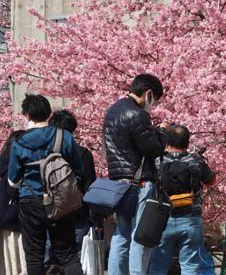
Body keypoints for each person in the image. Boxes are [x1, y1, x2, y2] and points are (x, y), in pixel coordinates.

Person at [7, 94, 84, 275]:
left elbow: (13, 180)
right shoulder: (64, 136)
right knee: (68, 254)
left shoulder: (19, 142)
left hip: (30, 199)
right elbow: (78, 169)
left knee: (34, 255)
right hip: (60, 200)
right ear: (49, 113)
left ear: (26, 115)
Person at [104, 74, 169, 275]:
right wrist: (162, 132)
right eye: (154, 100)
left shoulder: (112, 111)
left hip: (119, 183)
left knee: (121, 234)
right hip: (138, 182)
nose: (153, 105)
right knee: (140, 235)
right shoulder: (138, 115)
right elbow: (153, 149)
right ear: (148, 94)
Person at [148, 125, 216, 274]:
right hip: (190, 219)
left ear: (168, 141)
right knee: (190, 266)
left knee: (157, 266)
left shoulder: (158, 161)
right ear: (187, 142)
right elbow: (211, 181)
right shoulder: (196, 161)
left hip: (163, 219)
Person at [46, 110, 97, 264]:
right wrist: (94, 217)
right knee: (76, 258)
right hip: (77, 212)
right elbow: (90, 186)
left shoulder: (43, 152)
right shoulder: (83, 153)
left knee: (49, 257)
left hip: (50, 211)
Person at [0, 130, 27, 275]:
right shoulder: (17, 168)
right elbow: (13, 191)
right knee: (20, 261)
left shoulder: (3, 165)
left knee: (6, 263)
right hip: (16, 220)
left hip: (4, 219)